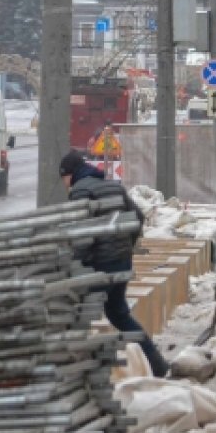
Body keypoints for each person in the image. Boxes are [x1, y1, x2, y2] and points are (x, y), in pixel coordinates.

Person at [60, 150, 170, 378]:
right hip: (121, 263)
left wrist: (75, 265)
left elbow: (82, 234)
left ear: (69, 175)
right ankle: (157, 365)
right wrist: (126, 246)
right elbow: (138, 218)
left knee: (74, 312)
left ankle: (75, 375)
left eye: (63, 179)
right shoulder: (113, 186)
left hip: (100, 265)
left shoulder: (80, 191)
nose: (64, 185)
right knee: (119, 314)